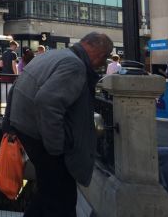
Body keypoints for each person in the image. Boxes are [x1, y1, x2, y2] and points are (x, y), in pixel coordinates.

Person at [7, 32, 113, 216]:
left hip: (27, 128)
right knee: (60, 198)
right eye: (104, 58)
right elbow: (47, 102)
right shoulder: (75, 65)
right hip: (42, 137)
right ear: (98, 52)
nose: (102, 65)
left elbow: (16, 88)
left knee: (48, 195)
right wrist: (56, 146)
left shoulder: (54, 54)